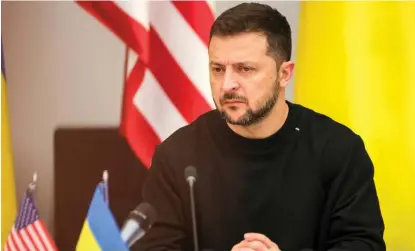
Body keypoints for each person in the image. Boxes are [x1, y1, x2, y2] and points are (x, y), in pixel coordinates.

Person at [134, 2, 385, 251]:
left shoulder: (338, 149)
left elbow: (363, 244)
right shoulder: (177, 155)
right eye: (218, 69)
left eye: (245, 69)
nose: (227, 85)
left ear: (284, 74)